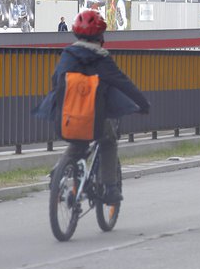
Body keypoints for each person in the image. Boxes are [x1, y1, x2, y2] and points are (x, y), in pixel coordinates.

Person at [34, 10, 149, 204]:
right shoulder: (103, 60)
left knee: (77, 142)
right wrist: (143, 103)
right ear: (100, 37)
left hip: (66, 117)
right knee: (109, 140)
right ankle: (111, 187)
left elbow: (56, 81)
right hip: (94, 120)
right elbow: (123, 83)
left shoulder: (68, 55)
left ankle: (58, 173)